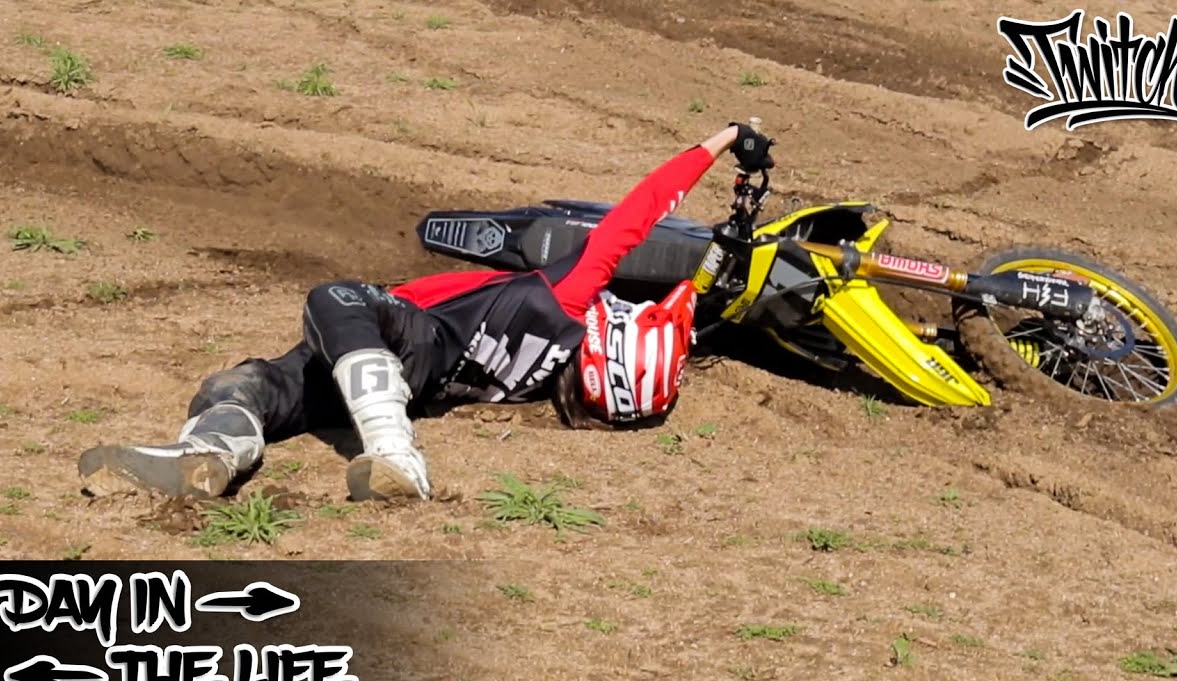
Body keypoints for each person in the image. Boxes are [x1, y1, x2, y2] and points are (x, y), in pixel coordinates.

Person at [77, 122, 776, 502]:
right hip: (394, 375)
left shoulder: (569, 299)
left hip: (409, 338)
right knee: (249, 385)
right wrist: (723, 250)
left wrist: (722, 140)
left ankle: (395, 455)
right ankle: (212, 454)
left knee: (334, 298)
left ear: (609, 337)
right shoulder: (549, 380)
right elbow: (690, 297)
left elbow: (639, 212)